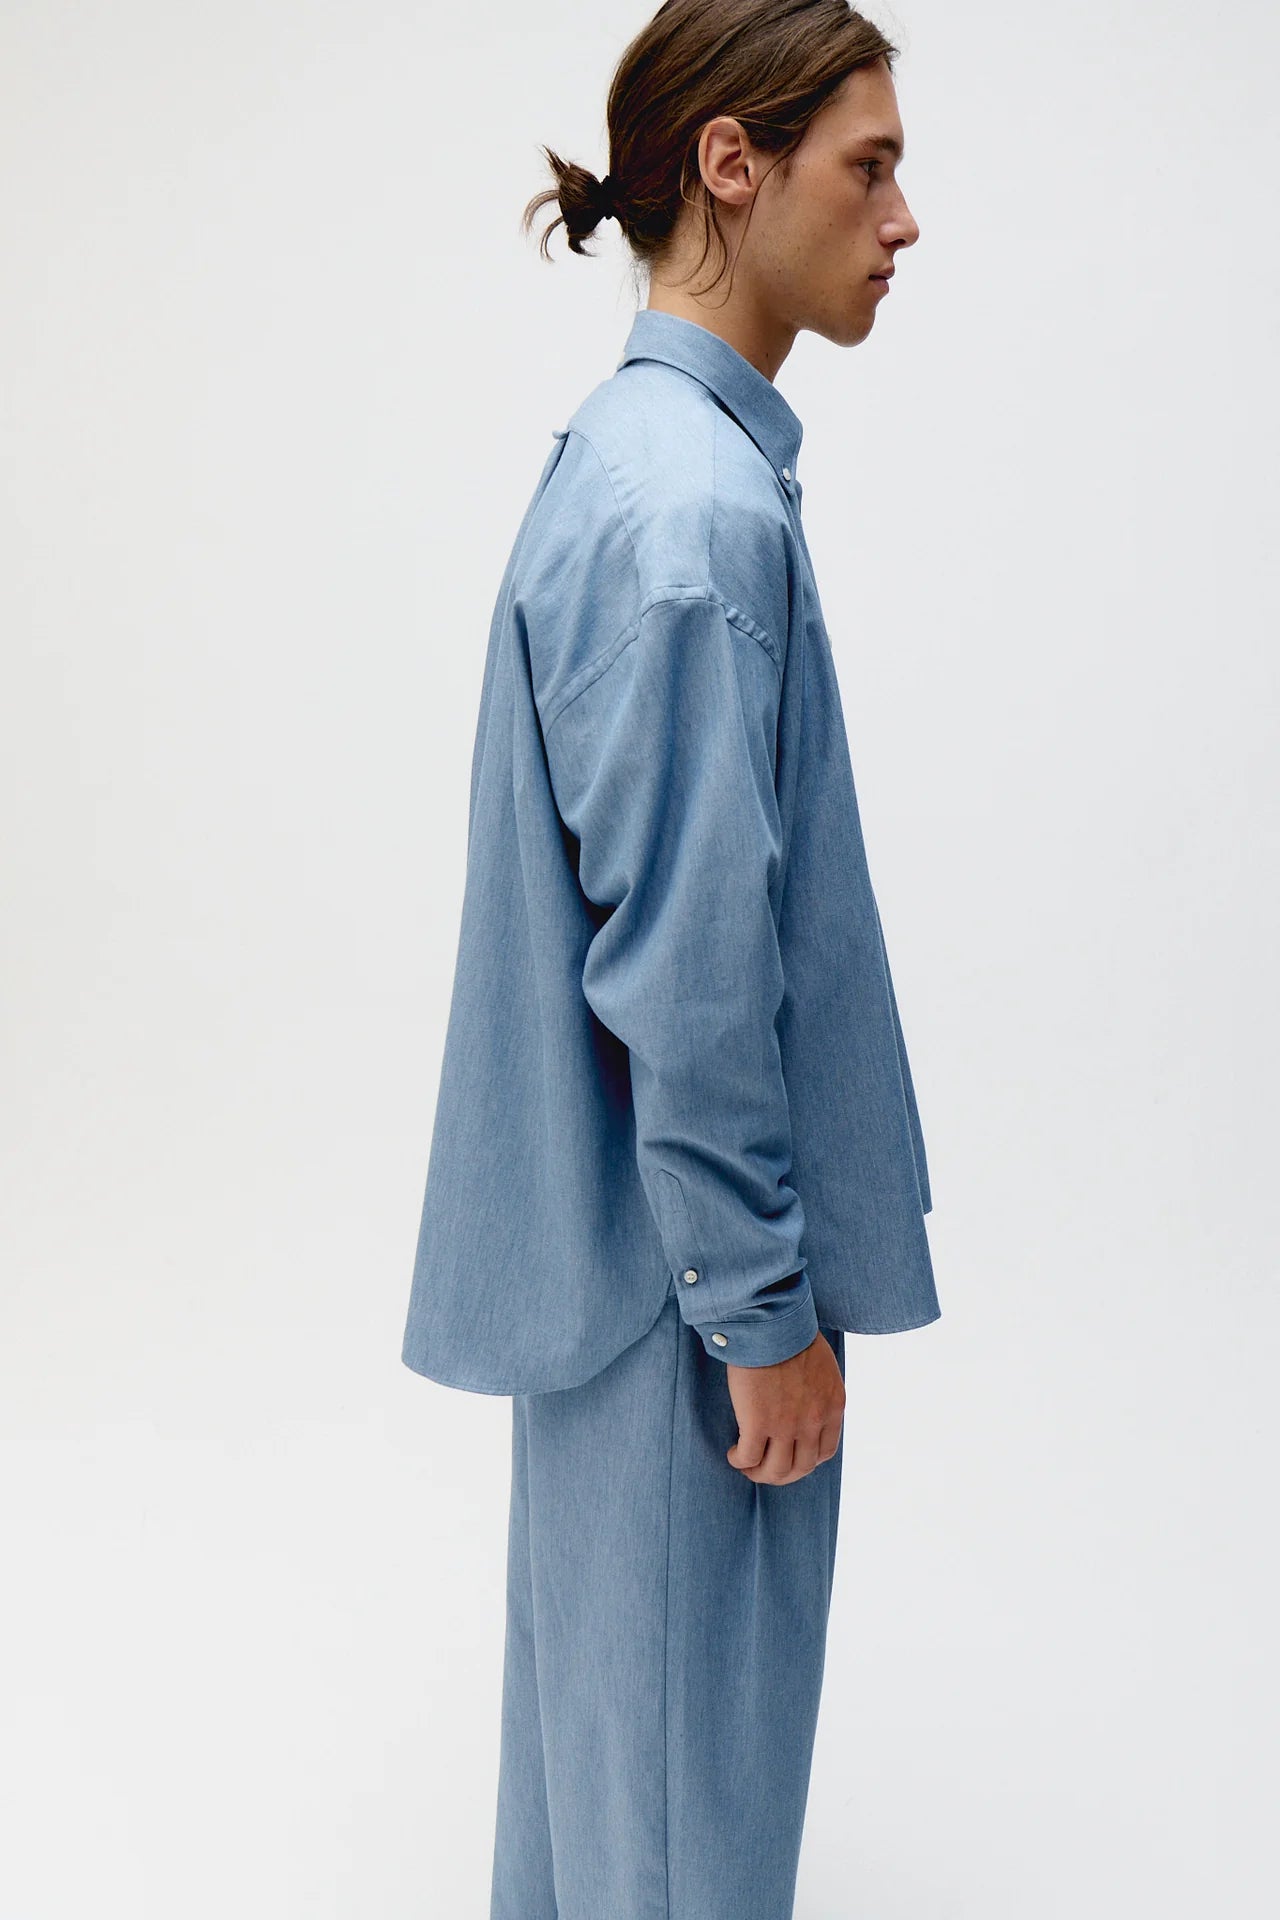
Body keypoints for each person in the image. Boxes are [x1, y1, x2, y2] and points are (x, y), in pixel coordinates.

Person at [400, 4, 942, 1915]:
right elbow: (688, 980)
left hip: (627, 1294)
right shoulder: (692, 519)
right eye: (868, 167)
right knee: (677, 1851)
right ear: (733, 164)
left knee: (600, 1827)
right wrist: (762, 1316)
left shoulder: (636, 466)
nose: (902, 219)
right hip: (685, 1315)